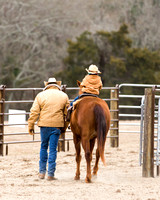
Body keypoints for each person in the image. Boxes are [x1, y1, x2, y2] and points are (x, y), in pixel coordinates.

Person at [28, 77, 70, 180]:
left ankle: (42, 172)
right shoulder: (64, 96)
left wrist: (31, 125)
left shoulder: (40, 95)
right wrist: (64, 127)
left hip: (44, 125)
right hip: (56, 125)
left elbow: (34, 112)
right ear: (57, 85)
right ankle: (50, 174)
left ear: (47, 85)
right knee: (52, 150)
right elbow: (67, 114)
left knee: (43, 147)